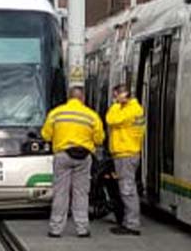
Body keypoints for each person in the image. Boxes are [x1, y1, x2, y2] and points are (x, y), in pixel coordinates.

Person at [41, 85, 104, 239]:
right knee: (81, 193)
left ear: (68, 97)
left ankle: (56, 228)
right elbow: (99, 139)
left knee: (60, 192)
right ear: (83, 98)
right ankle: (82, 228)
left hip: (62, 155)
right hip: (83, 157)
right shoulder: (91, 116)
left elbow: (46, 135)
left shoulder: (56, 113)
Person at [104, 84, 145, 235]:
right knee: (127, 188)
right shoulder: (132, 109)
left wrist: (116, 105)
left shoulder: (132, 110)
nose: (114, 99)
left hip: (127, 154)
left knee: (127, 190)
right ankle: (128, 222)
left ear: (124, 94)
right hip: (126, 153)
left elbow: (111, 120)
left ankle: (132, 224)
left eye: (116, 96)